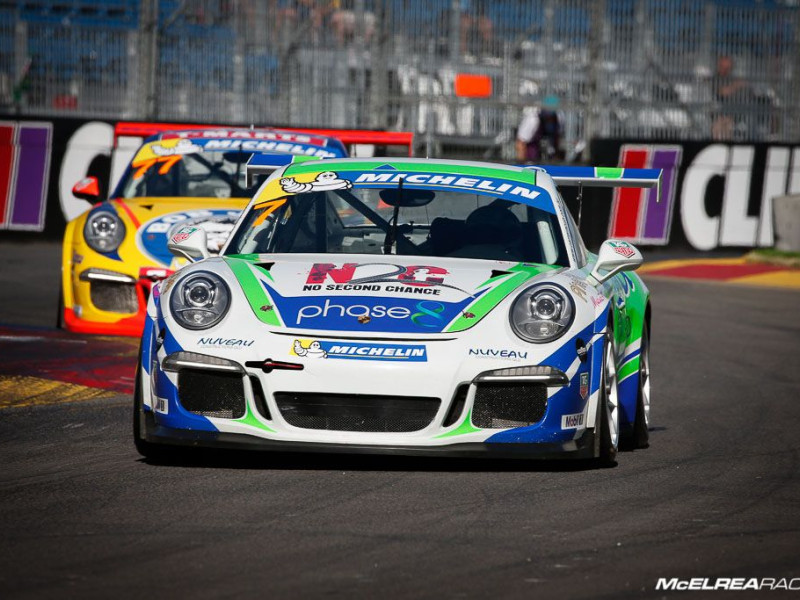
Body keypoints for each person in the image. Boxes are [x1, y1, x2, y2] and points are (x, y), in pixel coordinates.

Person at [515, 96, 565, 163]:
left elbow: (557, 139)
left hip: (549, 150)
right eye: (548, 116)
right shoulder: (532, 120)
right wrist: (521, 165)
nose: (549, 118)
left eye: (551, 117)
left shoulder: (559, 118)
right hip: (531, 151)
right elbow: (521, 143)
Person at [711, 55, 749, 141]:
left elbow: (746, 87)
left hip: (731, 116)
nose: (725, 70)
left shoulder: (731, 79)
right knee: (718, 134)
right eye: (723, 67)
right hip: (718, 116)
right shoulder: (714, 79)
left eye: (728, 68)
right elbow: (723, 92)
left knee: (728, 135)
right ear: (718, 66)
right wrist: (737, 85)